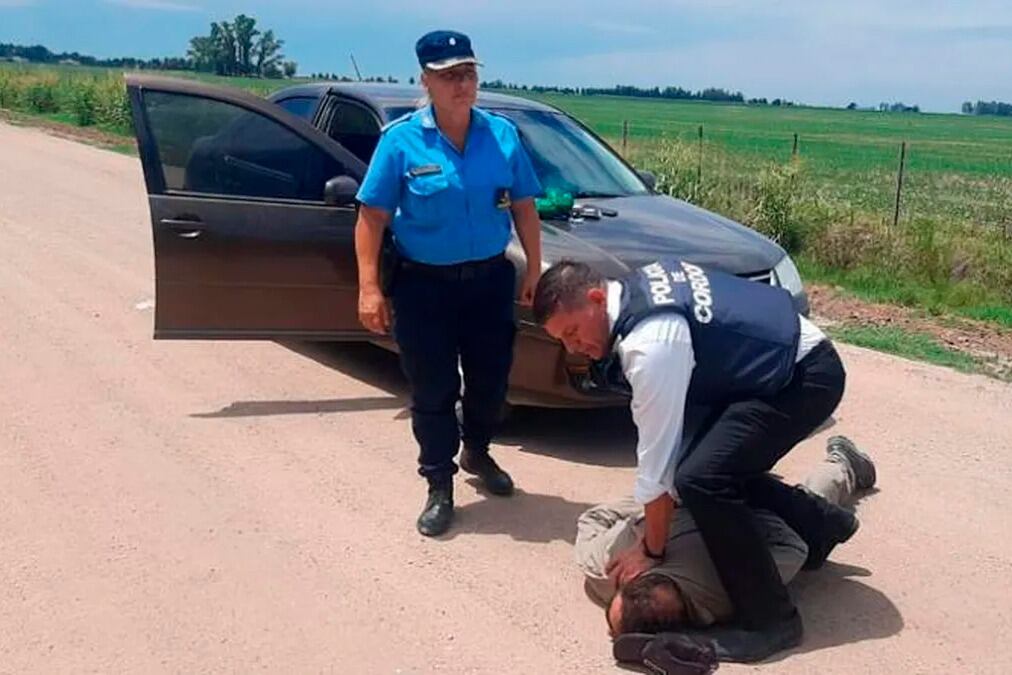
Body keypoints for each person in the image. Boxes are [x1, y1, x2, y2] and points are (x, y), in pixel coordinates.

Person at [533, 259, 858, 660]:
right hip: (771, 366)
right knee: (709, 466)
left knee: (701, 479)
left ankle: (772, 620)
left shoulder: (649, 345)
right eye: (561, 340)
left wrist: (650, 551)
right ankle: (821, 523)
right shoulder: (635, 290)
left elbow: (657, 464)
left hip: (803, 378)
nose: (573, 347)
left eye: (572, 332)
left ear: (596, 299)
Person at [354, 30, 543, 536]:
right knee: (434, 389)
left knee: (492, 382)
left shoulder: (502, 136)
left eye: (469, 73)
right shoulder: (400, 142)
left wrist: (535, 268)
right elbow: (371, 217)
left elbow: (524, 205)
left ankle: (477, 450)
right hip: (424, 288)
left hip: (488, 282)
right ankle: (439, 483)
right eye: (449, 76)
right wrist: (369, 287)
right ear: (426, 81)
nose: (462, 85)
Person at [575, 436, 877, 642]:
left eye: (629, 587)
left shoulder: (604, 567)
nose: (636, 580)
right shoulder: (730, 592)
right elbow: (795, 547)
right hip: (755, 513)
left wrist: (660, 508)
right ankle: (846, 464)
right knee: (812, 503)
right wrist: (744, 515)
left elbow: (594, 518)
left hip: (693, 490)